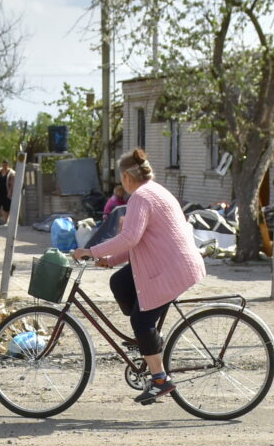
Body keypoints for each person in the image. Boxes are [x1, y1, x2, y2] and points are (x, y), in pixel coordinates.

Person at [76, 149, 204, 405]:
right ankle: (147, 344)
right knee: (119, 282)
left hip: (170, 269)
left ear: (126, 176)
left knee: (141, 320)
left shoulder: (141, 198)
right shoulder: (155, 190)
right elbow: (138, 241)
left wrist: (91, 251)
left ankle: (159, 379)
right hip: (171, 263)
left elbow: (129, 238)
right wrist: (109, 260)